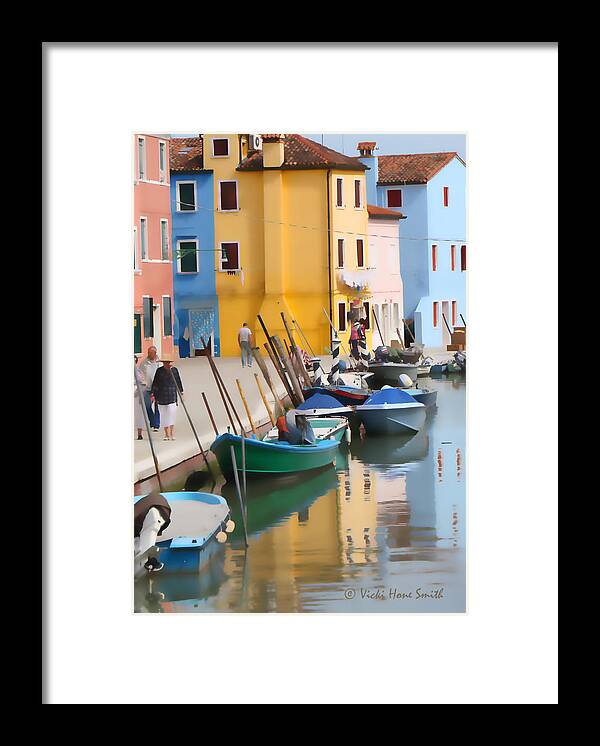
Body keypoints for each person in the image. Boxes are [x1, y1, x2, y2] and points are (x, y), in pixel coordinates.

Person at [151, 353, 183, 441]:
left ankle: (172, 432)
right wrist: (153, 394)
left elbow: (179, 382)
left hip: (172, 396)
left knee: (171, 414)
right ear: (163, 363)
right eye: (166, 362)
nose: (168, 364)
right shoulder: (159, 371)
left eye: (169, 362)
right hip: (161, 397)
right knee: (164, 416)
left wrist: (181, 393)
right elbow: (155, 383)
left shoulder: (175, 371)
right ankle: (166, 434)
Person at [140, 346, 162, 431]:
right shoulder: (144, 363)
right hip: (147, 388)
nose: (149, 354)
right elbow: (140, 374)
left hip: (158, 388)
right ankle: (152, 420)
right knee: (147, 405)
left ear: (155, 353)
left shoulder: (159, 362)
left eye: (151, 353)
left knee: (157, 406)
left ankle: (156, 424)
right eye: (148, 353)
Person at [134, 355, 147, 440]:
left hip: (138, 393)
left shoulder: (138, 371)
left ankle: (139, 433)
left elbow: (143, 382)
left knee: (139, 414)